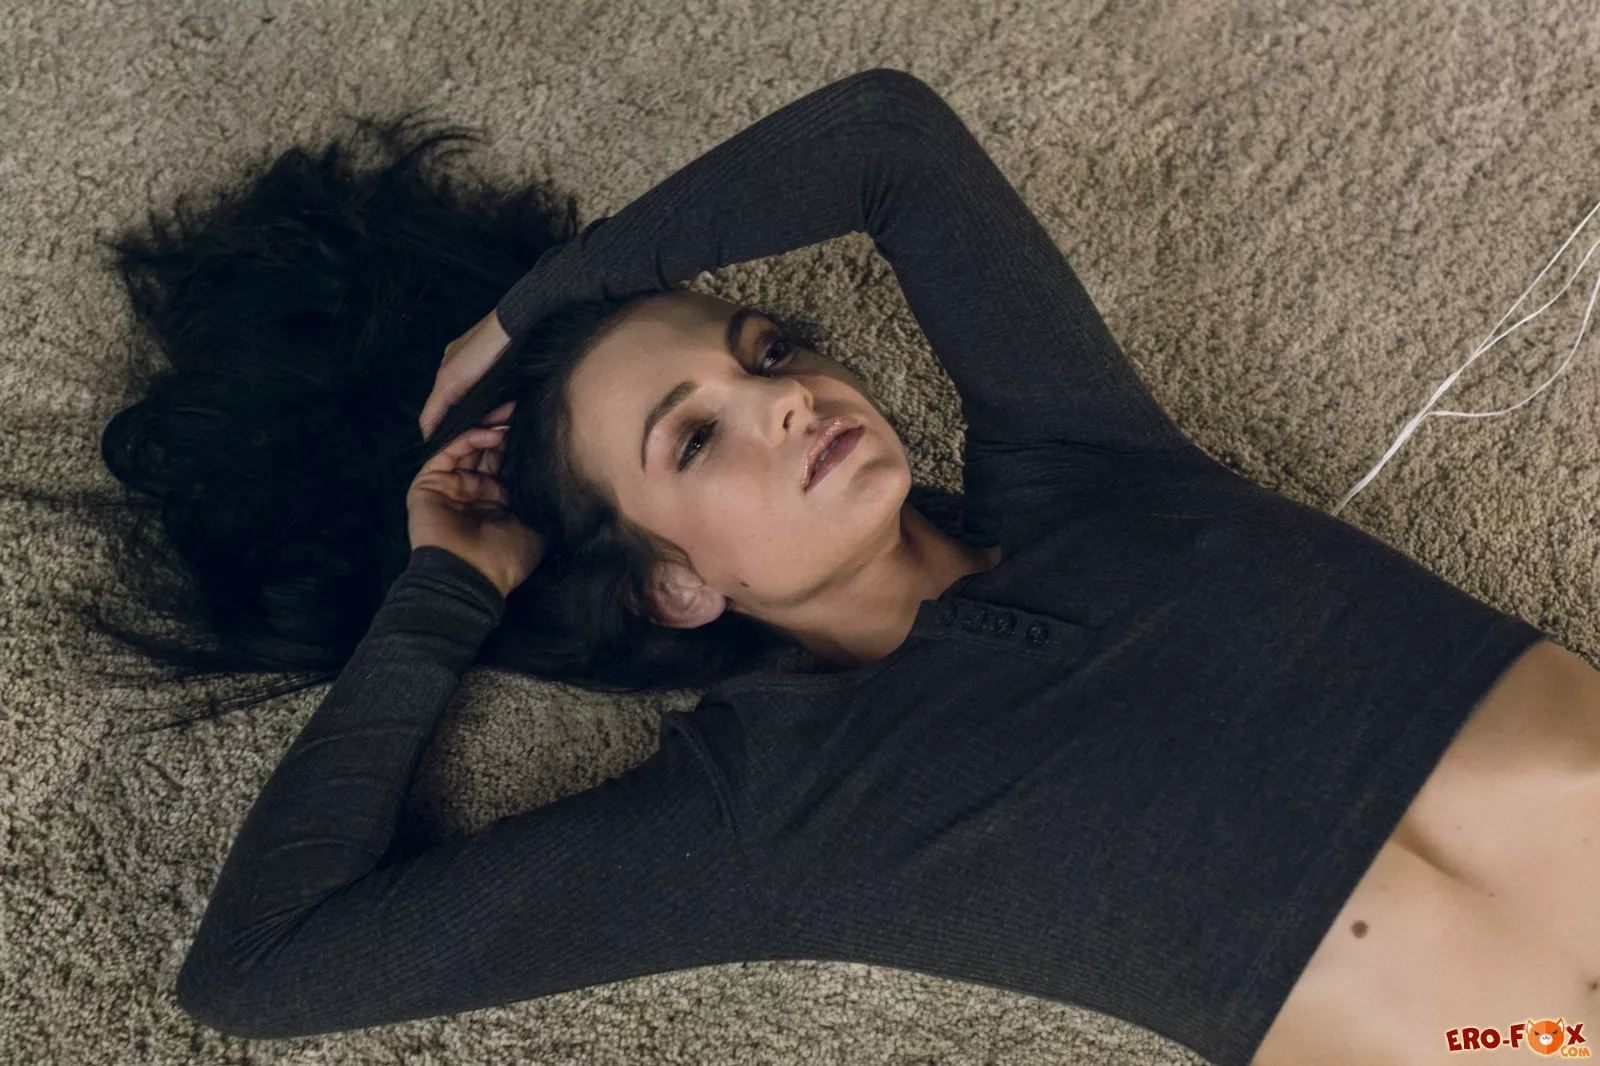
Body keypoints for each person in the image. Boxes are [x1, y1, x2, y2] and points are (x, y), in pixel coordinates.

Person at [74, 69, 1598, 1065]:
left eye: (769, 349)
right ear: (677, 583)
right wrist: (444, 592)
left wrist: (533, 307)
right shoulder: (772, 813)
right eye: (695, 437)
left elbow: (886, 139)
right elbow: (259, 966)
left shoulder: (1089, 462)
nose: (787, 397)